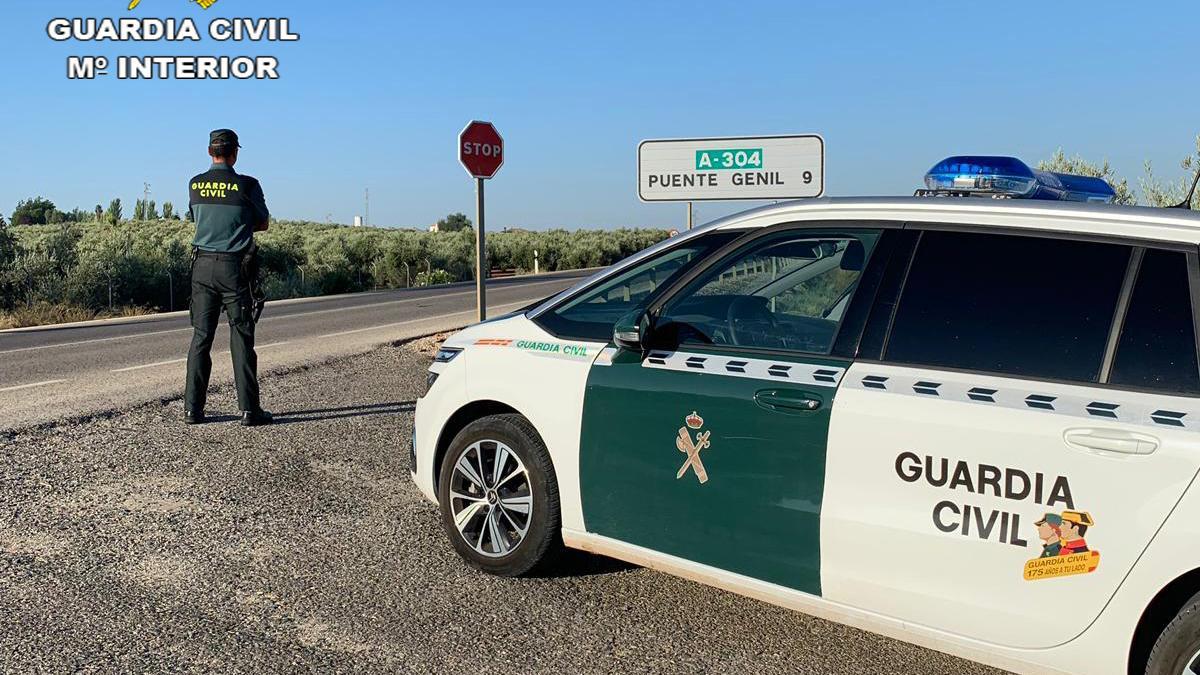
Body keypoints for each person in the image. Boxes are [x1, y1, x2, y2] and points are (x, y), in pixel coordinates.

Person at [184, 128, 273, 426]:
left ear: (210, 152)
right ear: (234, 153)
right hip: (235, 269)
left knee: (201, 338)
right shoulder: (247, 186)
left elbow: (196, 218)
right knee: (241, 337)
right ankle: (249, 410)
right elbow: (263, 223)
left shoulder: (195, 184)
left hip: (202, 268)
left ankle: (192, 410)